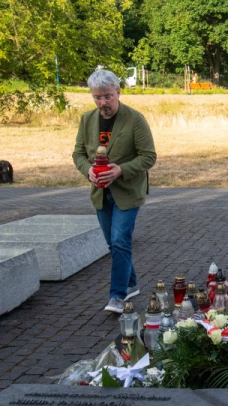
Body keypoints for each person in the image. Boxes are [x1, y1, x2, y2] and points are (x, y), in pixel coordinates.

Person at [73, 69, 157, 313]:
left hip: (127, 192)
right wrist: (87, 169)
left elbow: (148, 157)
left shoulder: (135, 119)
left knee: (121, 241)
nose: (103, 103)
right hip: (100, 193)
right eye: (97, 97)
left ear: (118, 93)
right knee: (112, 243)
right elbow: (78, 153)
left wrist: (120, 170)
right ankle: (130, 282)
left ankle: (117, 296)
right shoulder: (87, 120)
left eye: (108, 97)